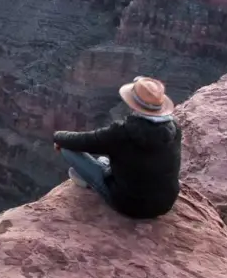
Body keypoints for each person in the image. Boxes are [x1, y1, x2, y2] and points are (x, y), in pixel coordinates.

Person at [52, 76, 182, 219]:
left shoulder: (122, 132)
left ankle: (92, 182)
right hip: (165, 203)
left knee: (67, 148)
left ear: (133, 104)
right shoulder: (174, 128)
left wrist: (58, 137)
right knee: (104, 159)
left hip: (128, 204)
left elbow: (83, 141)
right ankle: (101, 170)